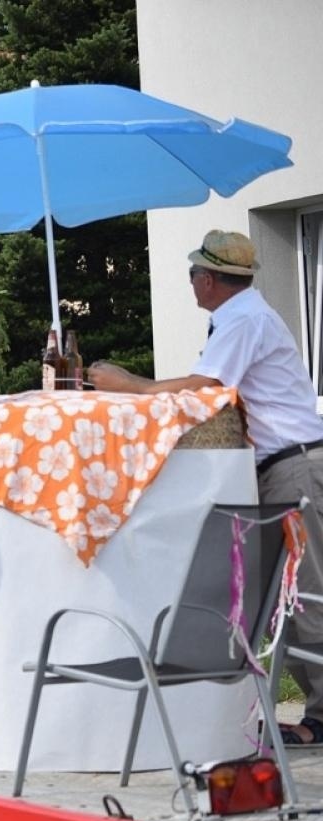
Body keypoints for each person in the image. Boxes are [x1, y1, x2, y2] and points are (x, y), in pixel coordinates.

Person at [89, 228, 323, 747]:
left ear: (210, 279)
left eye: (193, 274)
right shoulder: (242, 315)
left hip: (295, 464)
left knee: (308, 593)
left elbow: (208, 387)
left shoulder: (242, 319)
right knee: (291, 596)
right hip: (286, 464)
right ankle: (316, 714)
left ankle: (322, 716)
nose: (192, 284)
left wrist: (132, 386)